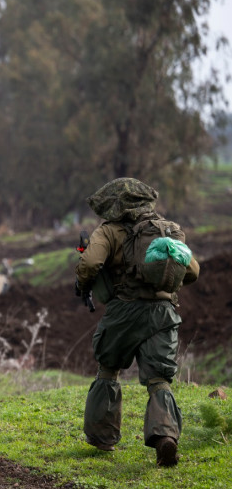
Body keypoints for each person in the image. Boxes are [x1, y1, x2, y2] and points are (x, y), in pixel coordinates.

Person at [75, 178, 199, 466]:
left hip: (124, 312)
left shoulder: (109, 231)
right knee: (159, 379)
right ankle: (165, 436)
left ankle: (102, 438)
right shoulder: (167, 231)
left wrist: (83, 280)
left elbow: (91, 263)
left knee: (108, 369)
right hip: (163, 313)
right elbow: (192, 270)